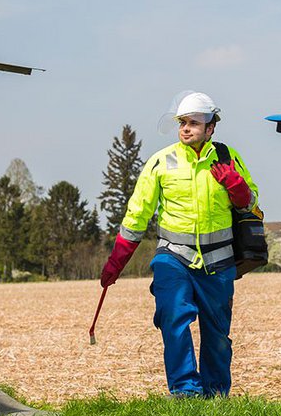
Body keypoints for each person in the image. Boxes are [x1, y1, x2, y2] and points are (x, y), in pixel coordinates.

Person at [100, 91, 258, 397]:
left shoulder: (228, 158)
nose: (186, 128)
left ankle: (214, 394)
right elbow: (137, 214)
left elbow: (251, 202)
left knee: (217, 335)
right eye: (182, 122)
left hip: (219, 263)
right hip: (173, 257)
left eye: (194, 123)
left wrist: (236, 186)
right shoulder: (161, 162)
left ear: (211, 127)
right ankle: (185, 390)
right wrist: (116, 263)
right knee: (173, 318)